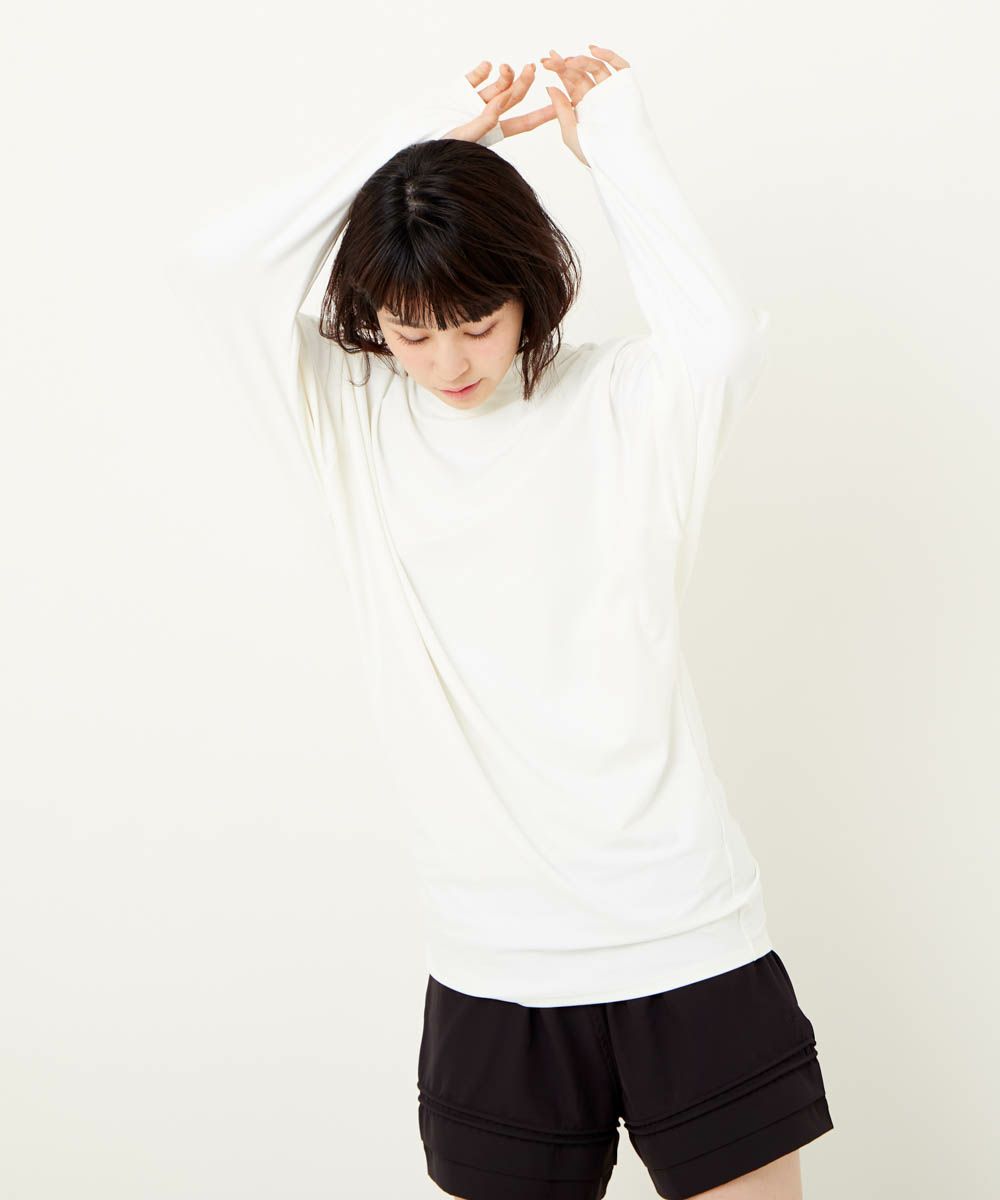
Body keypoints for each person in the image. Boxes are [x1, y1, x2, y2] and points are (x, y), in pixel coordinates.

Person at [170, 43, 834, 1200]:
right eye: (409, 330)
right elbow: (219, 267)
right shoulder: (353, 417)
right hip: (493, 961)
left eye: (474, 321)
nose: (445, 362)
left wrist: (612, 144)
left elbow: (721, 341)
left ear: (531, 284)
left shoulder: (627, 403)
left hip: (684, 931)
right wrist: (425, 137)